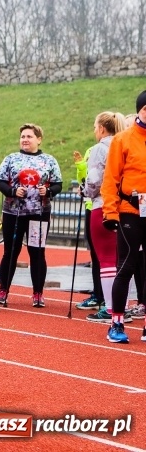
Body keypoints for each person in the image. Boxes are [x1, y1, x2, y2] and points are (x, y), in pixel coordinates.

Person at [0, 124, 63, 308]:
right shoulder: (11, 159)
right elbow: (0, 181)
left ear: (39, 139)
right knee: (10, 252)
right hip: (13, 213)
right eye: (23, 136)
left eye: (29, 136)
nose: (25, 139)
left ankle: (38, 293)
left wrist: (47, 191)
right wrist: (12, 191)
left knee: (37, 253)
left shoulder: (49, 160)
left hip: (38, 215)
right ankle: (3, 291)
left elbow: (57, 184)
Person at [101, 91, 146, 343]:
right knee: (126, 266)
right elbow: (111, 179)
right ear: (139, 110)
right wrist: (110, 211)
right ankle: (116, 323)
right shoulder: (123, 139)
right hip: (130, 211)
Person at [83, 112, 131, 324]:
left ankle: (111, 309)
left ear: (102, 128)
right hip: (128, 207)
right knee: (124, 261)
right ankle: (123, 308)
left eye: (95, 127)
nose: (95, 131)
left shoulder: (99, 148)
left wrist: (86, 191)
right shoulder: (125, 144)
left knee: (106, 260)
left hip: (103, 204)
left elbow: (94, 179)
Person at [73, 146, 103, 310]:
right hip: (91, 206)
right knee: (95, 253)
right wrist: (80, 166)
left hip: (105, 205)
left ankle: (108, 298)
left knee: (108, 255)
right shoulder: (92, 150)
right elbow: (85, 178)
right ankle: (98, 294)